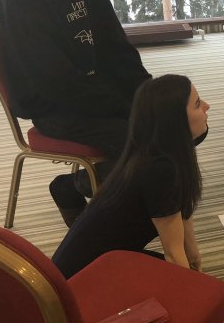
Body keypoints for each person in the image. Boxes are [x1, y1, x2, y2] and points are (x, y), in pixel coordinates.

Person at [0, 0, 151, 225]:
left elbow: (119, 50)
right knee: (143, 138)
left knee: (182, 121)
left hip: (94, 91)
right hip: (53, 107)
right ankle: (93, 201)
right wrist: (126, 107)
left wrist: (148, 93)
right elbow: (56, 83)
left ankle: (75, 186)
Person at [52, 74, 208, 279]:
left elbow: (184, 216)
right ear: (174, 120)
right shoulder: (160, 170)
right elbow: (173, 253)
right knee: (182, 281)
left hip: (103, 259)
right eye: (197, 104)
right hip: (82, 277)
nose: (207, 106)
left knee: (190, 277)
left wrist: (196, 266)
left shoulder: (165, 155)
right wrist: (194, 286)